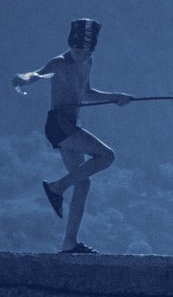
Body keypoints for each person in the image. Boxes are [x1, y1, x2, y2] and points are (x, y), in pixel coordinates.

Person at [12, 19, 132, 254]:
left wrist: (115, 97)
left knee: (84, 182)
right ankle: (57, 187)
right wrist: (23, 78)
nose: (81, 55)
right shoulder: (59, 63)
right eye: (77, 50)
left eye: (86, 51)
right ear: (71, 46)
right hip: (58, 125)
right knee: (107, 156)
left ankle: (69, 243)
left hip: (71, 124)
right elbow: (36, 74)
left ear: (92, 50)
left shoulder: (87, 62)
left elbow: (86, 93)